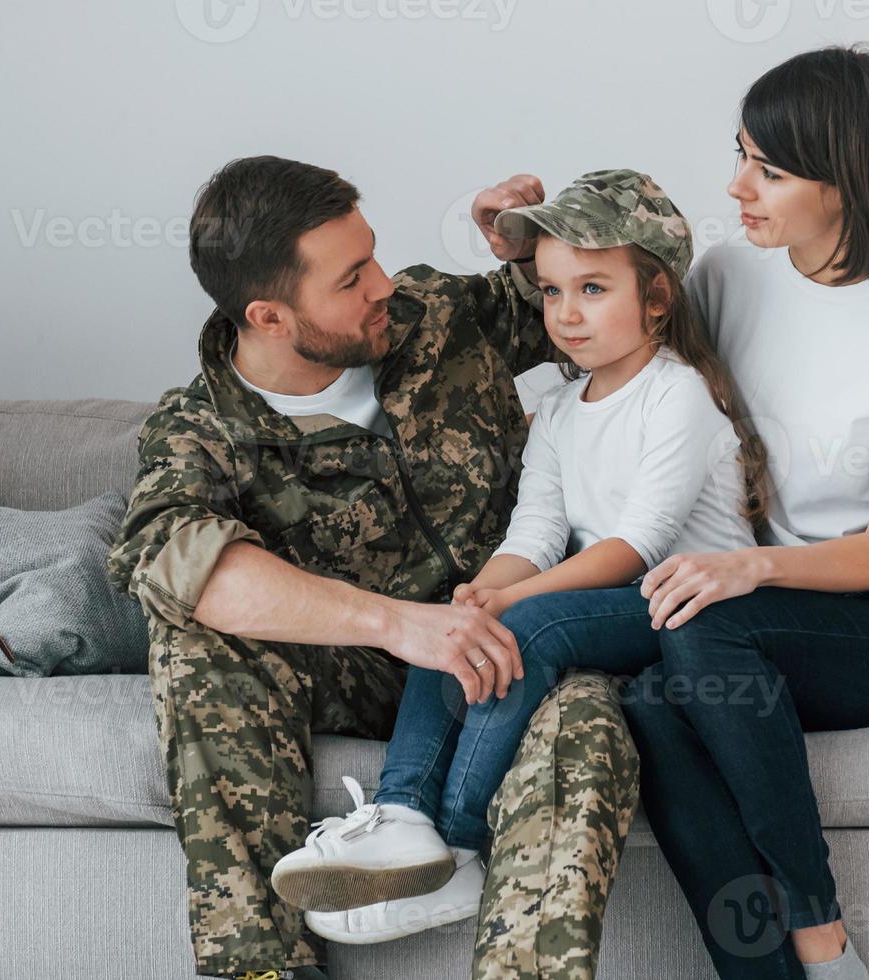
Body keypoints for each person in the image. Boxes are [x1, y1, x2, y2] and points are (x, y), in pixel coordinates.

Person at [104, 155, 639, 980]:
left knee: (589, 718)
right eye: (352, 279)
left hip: (519, 642)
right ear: (270, 316)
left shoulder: (432, 315)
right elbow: (176, 559)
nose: (385, 283)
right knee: (194, 642)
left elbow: (618, 299)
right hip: (359, 670)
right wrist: (401, 624)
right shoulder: (198, 429)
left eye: (375, 255)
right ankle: (263, 969)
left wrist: (533, 246)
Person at [266, 170, 771, 947]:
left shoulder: (680, 396)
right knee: (451, 620)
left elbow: (632, 546)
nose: (566, 316)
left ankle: (463, 848)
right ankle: (402, 815)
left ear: (657, 299)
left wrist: (511, 606)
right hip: (617, 604)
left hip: (692, 607)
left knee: (530, 630)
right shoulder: (564, 411)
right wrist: (479, 595)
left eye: (594, 289)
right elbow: (532, 536)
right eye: (551, 292)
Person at [616, 45, 869, 980]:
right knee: (651, 699)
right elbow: (602, 348)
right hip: (774, 618)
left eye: (771, 170)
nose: (738, 186)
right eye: (742, 154)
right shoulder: (723, 278)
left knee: (704, 632)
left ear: (847, 185)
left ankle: (821, 937)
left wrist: (745, 566)